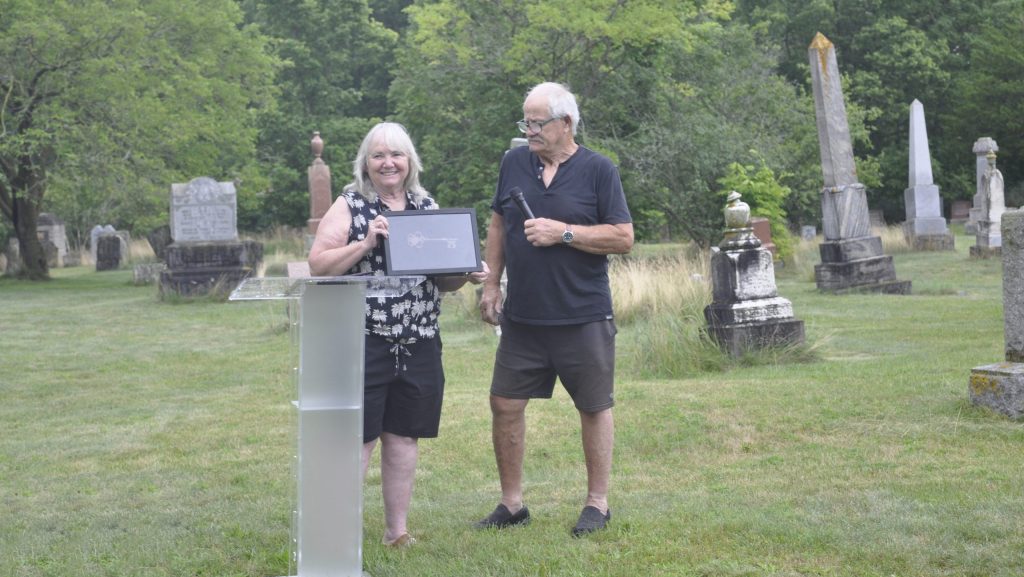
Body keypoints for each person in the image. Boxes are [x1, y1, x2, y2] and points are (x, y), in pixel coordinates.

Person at [308, 122, 488, 547]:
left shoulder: (428, 207)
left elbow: (442, 283)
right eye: (378, 155)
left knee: (405, 435)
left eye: (397, 155)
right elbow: (318, 265)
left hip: (420, 338)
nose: (388, 163)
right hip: (364, 338)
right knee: (361, 437)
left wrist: (466, 273)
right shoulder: (350, 204)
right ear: (365, 164)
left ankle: (397, 532)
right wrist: (366, 243)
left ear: (410, 162)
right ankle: (335, 535)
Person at [475, 82, 634, 537]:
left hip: (583, 314)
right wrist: (491, 284)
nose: (530, 129)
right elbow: (499, 223)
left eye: (538, 121)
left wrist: (565, 232)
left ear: (566, 123)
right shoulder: (513, 162)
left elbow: (623, 237)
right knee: (504, 402)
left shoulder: (599, 170)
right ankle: (512, 504)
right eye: (525, 121)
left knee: (593, 405)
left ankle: (597, 504)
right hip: (523, 316)